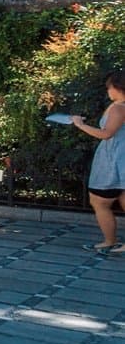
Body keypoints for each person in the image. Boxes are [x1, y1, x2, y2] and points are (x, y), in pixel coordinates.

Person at [70, 70, 125, 253]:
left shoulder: (119, 108)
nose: (108, 90)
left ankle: (109, 241)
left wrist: (80, 124)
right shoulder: (117, 105)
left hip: (115, 159)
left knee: (99, 202)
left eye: (109, 87)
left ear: (117, 88)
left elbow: (107, 134)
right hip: (117, 156)